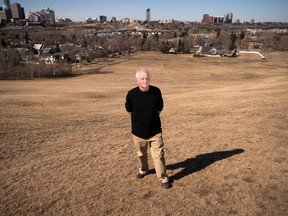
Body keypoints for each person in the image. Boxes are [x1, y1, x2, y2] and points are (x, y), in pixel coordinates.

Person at [125, 68, 172, 189]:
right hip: (138, 133)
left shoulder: (156, 91)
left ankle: (163, 178)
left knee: (158, 156)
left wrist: (151, 118)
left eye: (147, 78)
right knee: (141, 154)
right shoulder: (131, 94)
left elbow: (159, 108)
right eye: (142, 79)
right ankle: (143, 170)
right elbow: (129, 111)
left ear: (149, 79)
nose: (145, 81)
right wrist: (140, 121)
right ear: (137, 80)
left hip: (155, 131)